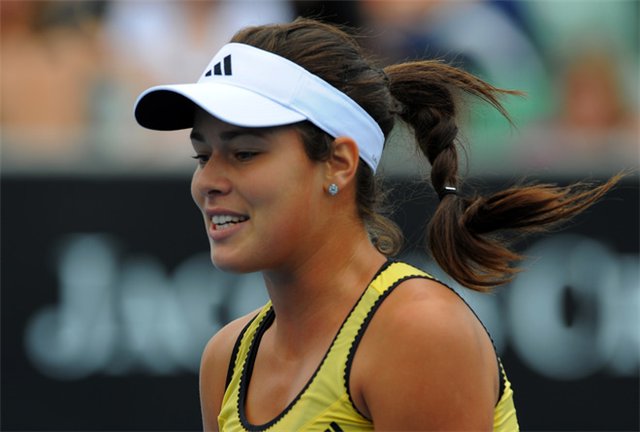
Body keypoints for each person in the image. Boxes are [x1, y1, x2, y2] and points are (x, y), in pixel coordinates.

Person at [134, 18, 619, 432]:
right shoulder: (225, 359)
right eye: (202, 156)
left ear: (339, 163)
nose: (208, 182)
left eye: (244, 153)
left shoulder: (418, 332)